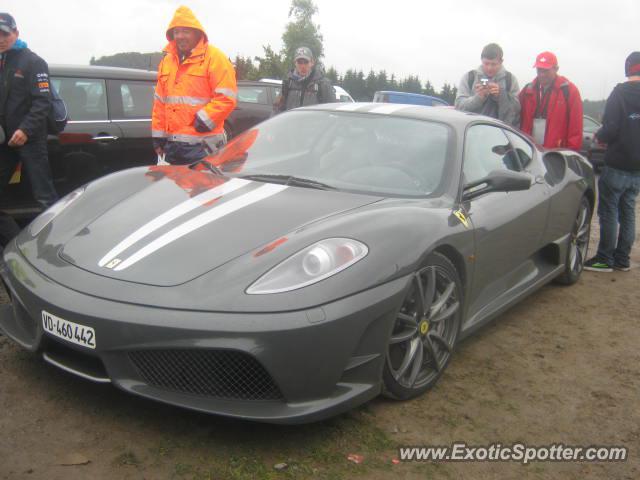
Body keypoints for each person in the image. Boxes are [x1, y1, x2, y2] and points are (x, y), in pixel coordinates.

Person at [152, 6, 237, 165]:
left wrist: (205, 119)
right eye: (176, 32)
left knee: (205, 189)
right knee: (173, 189)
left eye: (185, 31)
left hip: (203, 146)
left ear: (197, 32)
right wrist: (158, 136)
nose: (180, 36)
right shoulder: (166, 62)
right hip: (173, 148)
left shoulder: (215, 58)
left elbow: (227, 97)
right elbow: (160, 102)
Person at [0, 12, 58, 231]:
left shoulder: (33, 62)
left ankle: (53, 243)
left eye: (5, 34)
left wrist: (25, 130)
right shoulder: (2, 62)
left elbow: (43, 102)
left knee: (45, 198)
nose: (1, 39)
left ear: (16, 33)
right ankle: (13, 242)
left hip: (30, 140)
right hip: (5, 141)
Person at [584, 52, 640, 273]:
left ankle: (604, 259)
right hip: (637, 168)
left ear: (628, 69)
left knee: (608, 211)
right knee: (628, 211)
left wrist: (600, 136)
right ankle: (622, 259)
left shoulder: (620, 93)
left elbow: (611, 127)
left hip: (617, 162)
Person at [519, 51, 583, 151]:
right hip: (530, 151)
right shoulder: (528, 90)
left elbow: (576, 128)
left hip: (556, 154)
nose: (542, 74)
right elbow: (514, 115)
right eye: (539, 70)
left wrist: (570, 155)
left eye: (546, 70)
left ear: (556, 69)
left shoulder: (569, 91)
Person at [454, 43, 521, 126]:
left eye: (493, 64)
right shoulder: (469, 77)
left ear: (501, 62)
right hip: (473, 132)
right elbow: (458, 107)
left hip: (501, 133)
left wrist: (501, 96)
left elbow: (517, 110)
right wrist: (478, 98)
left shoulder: (510, 80)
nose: (489, 68)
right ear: (481, 60)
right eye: (486, 63)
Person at [276, 47, 335, 112]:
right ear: (295, 63)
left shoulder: (323, 84)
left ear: (312, 62)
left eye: (306, 62)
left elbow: (332, 112)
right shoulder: (288, 83)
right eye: (299, 62)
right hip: (291, 122)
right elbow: (277, 109)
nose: (303, 66)